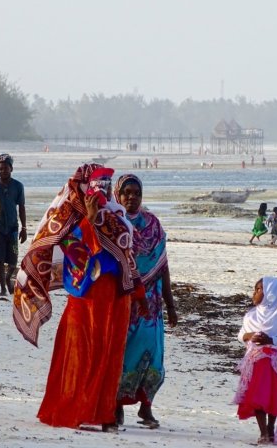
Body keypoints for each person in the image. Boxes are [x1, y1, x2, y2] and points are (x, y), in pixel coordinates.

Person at [13, 163, 147, 433]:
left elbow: (128, 258)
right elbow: (75, 256)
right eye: (100, 184)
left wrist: (139, 294)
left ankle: (106, 413)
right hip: (87, 299)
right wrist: (90, 219)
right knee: (82, 352)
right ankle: (77, 409)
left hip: (116, 299)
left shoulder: (118, 215)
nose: (104, 190)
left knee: (110, 354)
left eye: (108, 184)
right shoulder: (70, 220)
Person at [113, 174, 178, 429]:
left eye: (136, 193)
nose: (131, 197)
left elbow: (163, 266)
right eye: (126, 193)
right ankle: (116, 407)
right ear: (118, 195)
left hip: (151, 306)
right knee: (123, 355)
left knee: (153, 356)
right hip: (124, 301)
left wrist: (171, 305)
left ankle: (146, 408)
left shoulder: (153, 224)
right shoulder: (113, 224)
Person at [233, 276, 277, 445]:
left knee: (273, 395)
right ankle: (263, 431)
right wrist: (250, 336)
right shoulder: (251, 315)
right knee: (258, 396)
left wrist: (271, 340)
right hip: (256, 362)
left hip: (274, 363)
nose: (255, 293)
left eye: (259, 290)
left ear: (271, 294)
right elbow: (241, 335)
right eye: (255, 289)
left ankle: (271, 428)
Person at [0, 154, 27, 296]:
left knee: (13, 261)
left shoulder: (18, 186)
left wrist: (24, 228)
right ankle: (2, 289)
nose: (3, 171)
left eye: (6, 168)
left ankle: (8, 279)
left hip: (13, 227)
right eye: (0, 169)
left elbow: (22, 207)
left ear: (11, 169)